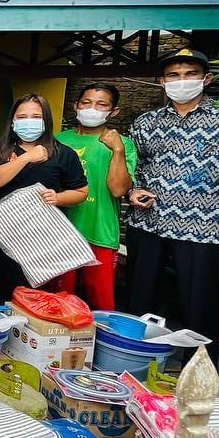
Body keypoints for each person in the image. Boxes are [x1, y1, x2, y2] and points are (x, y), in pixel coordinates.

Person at [126, 48, 219, 352]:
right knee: (141, 302)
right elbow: (131, 169)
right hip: (149, 224)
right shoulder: (145, 122)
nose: (182, 81)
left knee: (200, 307)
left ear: (207, 78)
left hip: (204, 230)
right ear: (161, 81)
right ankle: (137, 358)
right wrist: (131, 192)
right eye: (174, 75)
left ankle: (196, 369)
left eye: (190, 74)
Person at [0, 94, 89, 300]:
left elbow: (81, 191)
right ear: (12, 121)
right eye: (22, 117)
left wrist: (58, 198)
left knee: (27, 296)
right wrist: (25, 158)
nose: (29, 122)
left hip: (36, 239)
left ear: (46, 121)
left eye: (36, 116)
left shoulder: (64, 154)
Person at [54, 83, 138, 310]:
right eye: (86, 103)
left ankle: (101, 345)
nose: (92, 109)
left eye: (101, 104)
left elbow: (119, 190)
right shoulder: (58, 140)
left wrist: (117, 151)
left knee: (101, 305)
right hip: (59, 233)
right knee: (59, 301)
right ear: (76, 106)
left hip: (99, 231)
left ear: (114, 111)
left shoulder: (123, 144)